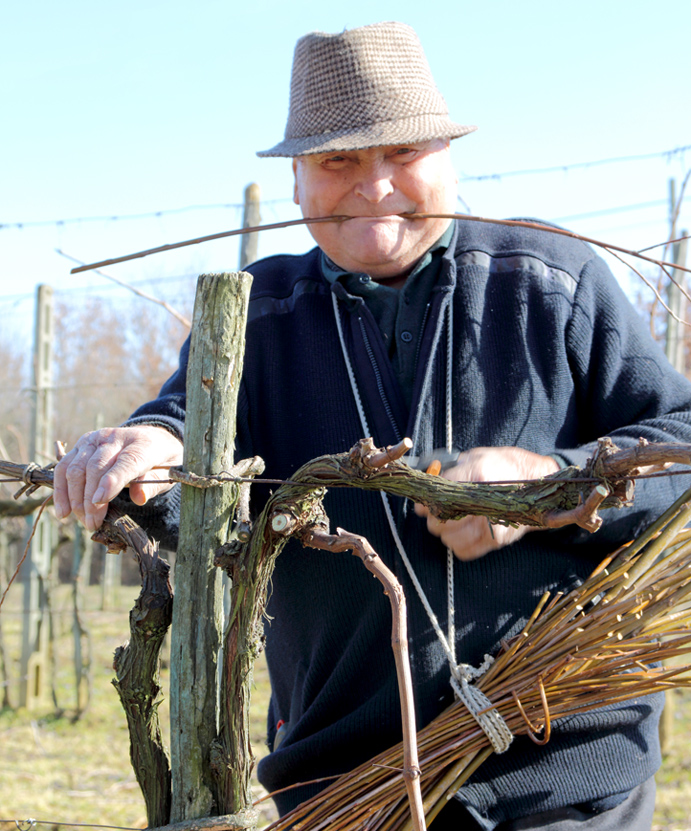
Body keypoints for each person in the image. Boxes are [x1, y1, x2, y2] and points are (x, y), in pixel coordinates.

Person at [54, 21, 691, 831]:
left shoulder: (550, 282)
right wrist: (149, 454)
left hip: (562, 763)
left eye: (404, 154)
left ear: (449, 160)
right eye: (338, 160)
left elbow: (678, 441)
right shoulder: (262, 312)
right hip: (344, 775)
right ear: (296, 181)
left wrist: (554, 486)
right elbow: (190, 443)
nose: (377, 186)